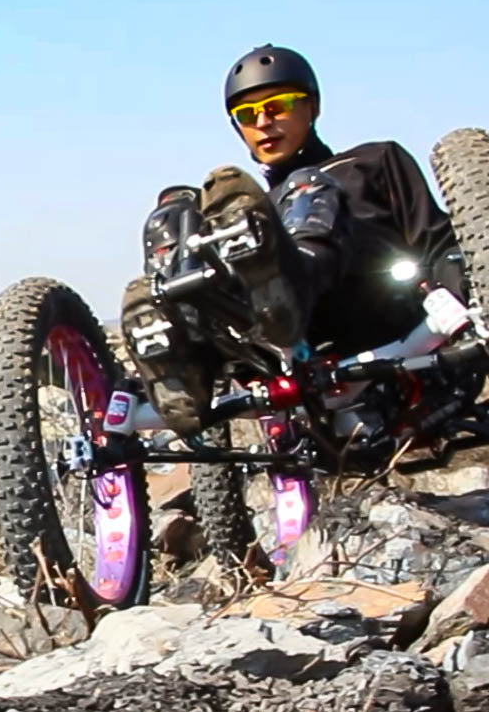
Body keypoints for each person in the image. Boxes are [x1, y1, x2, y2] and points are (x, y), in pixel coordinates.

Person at [120, 44, 462, 436]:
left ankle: (288, 287)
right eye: (247, 114)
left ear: (311, 108)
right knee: (177, 211)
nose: (263, 122)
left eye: (278, 106)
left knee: (305, 183)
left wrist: (469, 294)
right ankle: (185, 363)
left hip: (377, 318)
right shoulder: (238, 212)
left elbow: (440, 243)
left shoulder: (371, 161)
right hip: (272, 351)